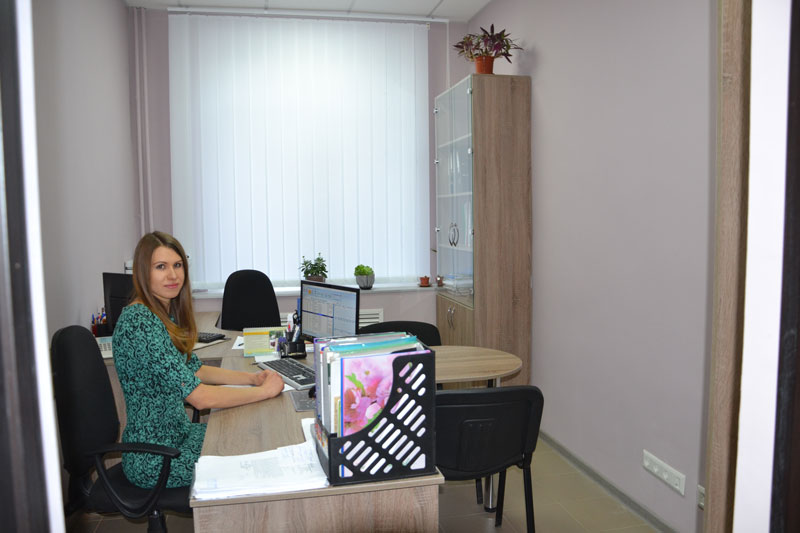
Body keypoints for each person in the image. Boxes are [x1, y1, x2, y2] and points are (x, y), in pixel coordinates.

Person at [112, 231, 284, 488]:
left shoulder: (159, 315)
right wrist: (265, 392)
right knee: (251, 456)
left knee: (250, 434)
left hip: (178, 436)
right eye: (161, 267)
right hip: (156, 457)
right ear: (142, 272)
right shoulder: (140, 323)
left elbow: (196, 370)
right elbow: (200, 398)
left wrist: (253, 378)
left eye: (177, 265)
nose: (173, 275)